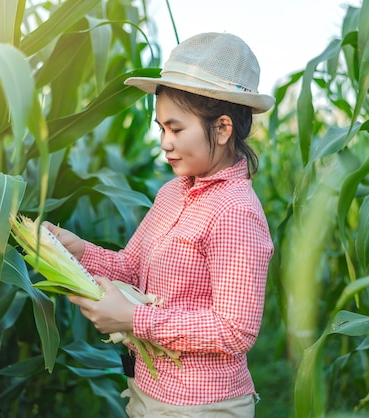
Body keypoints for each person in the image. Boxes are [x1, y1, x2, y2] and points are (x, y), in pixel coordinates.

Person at [47, 32, 275, 417]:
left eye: (176, 129)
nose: (165, 144)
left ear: (222, 129)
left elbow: (235, 329)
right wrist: (79, 251)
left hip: (201, 405)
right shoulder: (172, 193)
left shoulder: (236, 211)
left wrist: (133, 318)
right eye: (161, 129)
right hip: (147, 389)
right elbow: (132, 267)